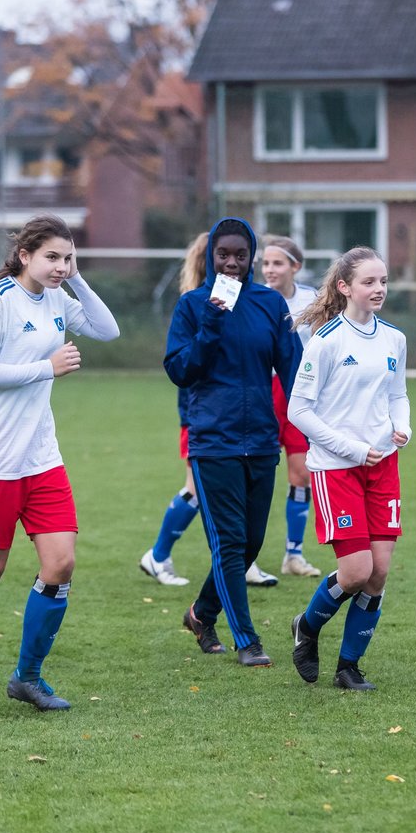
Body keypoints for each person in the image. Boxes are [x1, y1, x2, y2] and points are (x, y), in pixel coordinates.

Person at [0, 214, 119, 712]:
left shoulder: (59, 296)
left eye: (66, 257)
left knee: (60, 564)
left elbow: (108, 328)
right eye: (51, 257)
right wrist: (47, 367)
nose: (59, 266)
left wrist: (76, 278)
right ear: (24, 256)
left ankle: (27, 678)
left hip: (41, 457)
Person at [166, 217, 300, 667]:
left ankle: (201, 614)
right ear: (211, 258)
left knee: (251, 544)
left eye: (240, 255)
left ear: (251, 258)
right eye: (223, 254)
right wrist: (210, 323)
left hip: (262, 441)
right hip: (213, 442)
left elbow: (293, 369)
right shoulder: (192, 306)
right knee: (227, 542)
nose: (231, 262)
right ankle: (248, 640)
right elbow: (182, 371)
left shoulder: (269, 305)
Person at [288, 246, 410, 691]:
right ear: (345, 288)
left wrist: (403, 426)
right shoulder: (326, 340)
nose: (378, 289)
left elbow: (398, 393)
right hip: (336, 468)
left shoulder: (394, 338)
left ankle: (348, 667)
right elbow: (298, 409)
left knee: (378, 574)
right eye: (368, 282)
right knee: (355, 572)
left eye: (382, 281)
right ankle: (307, 626)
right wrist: (351, 448)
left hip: (383, 467)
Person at [243, 235, 322, 586]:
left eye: (277, 263)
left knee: (301, 474)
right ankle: (245, 559)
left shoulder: (313, 301)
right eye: (265, 263)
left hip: (300, 393)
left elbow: (325, 343)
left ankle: (293, 554)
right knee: (254, 475)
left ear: (295, 266)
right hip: (263, 391)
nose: (269, 269)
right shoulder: (255, 298)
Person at [137, 232, 208, 588]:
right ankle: (158, 555)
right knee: (196, 488)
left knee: (213, 489)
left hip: (213, 414)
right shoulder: (195, 305)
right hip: (199, 414)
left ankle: (242, 562)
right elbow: (183, 366)